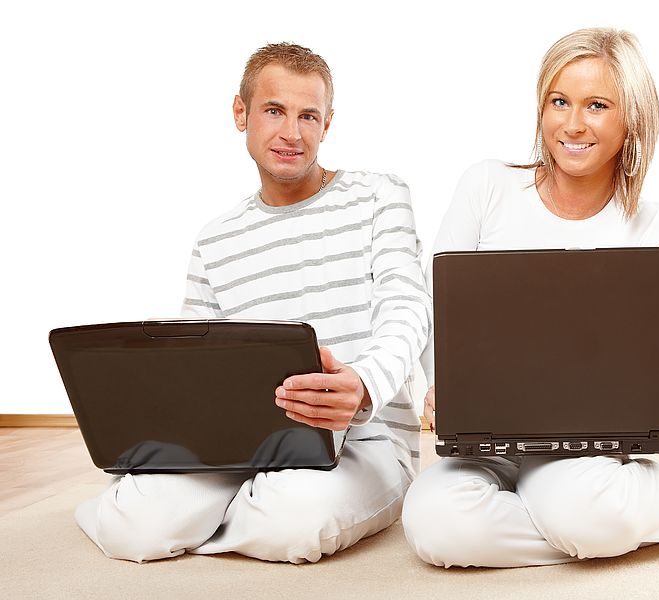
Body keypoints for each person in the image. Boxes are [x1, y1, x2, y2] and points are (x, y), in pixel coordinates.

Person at [401, 28, 659, 568]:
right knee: (436, 528)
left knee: (579, 509)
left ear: (631, 118)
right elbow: (434, 310)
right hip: (484, 437)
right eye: (559, 102)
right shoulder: (487, 186)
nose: (572, 124)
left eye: (597, 105)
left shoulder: (657, 228)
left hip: (589, 447)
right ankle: (613, 523)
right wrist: (440, 385)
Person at [74, 43, 431, 563]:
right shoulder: (214, 238)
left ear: (327, 124)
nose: (292, 132)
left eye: (309, 115)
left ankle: (199, 517)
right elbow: (191, 372)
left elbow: (408, 308)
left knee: (295, 522)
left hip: (365, 443)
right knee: (132, 528)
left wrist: (363, 386)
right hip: (240, 447)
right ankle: (195, 507)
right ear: (240, 113)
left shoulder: (381, 195)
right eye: (274, 111)